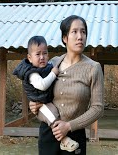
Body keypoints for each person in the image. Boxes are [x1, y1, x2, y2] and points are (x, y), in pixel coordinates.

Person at [29, 15, 104, 155]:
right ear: (65, 38)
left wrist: (69, 126)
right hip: (48, 133)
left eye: (83, 32)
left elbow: (98, 108)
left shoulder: (93, 68)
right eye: (74, 32)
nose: (80, 36)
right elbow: (40, 90)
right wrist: (33, 104)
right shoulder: (53, 63)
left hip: (74, 135)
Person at [12, 35, 79, 152]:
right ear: (29, 57)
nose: (42, 57)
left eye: (45, 53)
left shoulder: (46, 67)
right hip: (41, 104)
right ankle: (64, 139)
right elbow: (42, 86)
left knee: (55, 115)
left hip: (46, 102)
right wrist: (53, 73)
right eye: (38, 54)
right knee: (53, 118)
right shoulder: (32, 73)